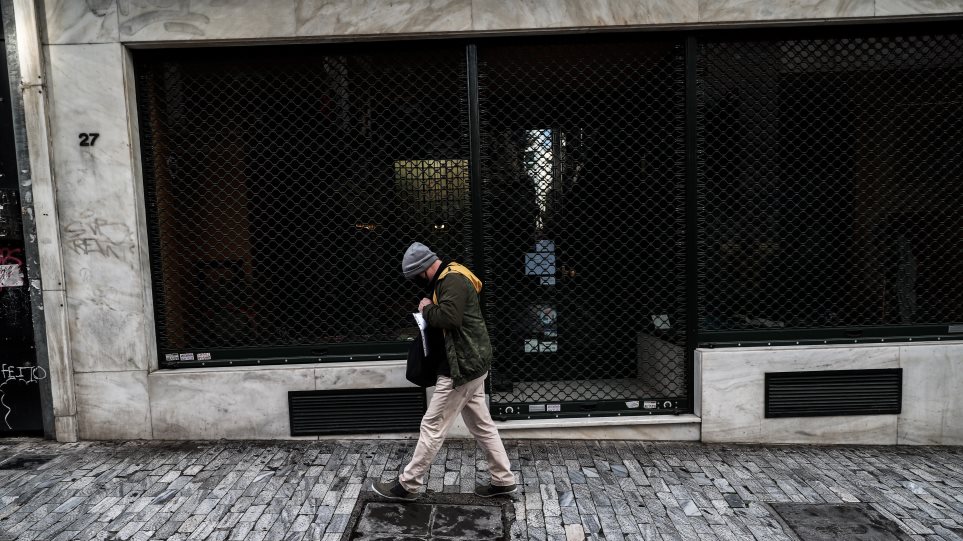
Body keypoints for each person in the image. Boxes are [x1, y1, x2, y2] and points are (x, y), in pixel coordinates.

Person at [372, 242, 517, 500]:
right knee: (482, 425)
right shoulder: (451, 275)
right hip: (470, 363)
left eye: (415, 276)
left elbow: (450, 318)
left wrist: (426, 308)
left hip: (460, 368)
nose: (416, 282)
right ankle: (503, 480)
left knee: (432, 425)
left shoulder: (452, 280)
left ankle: (407, 485)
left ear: (423, 269)